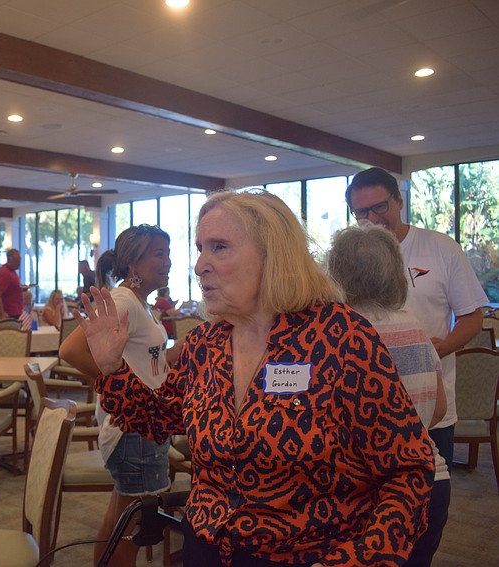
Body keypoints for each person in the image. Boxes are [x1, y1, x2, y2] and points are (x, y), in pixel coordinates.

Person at [74, 190, 434, 567]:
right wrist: (112, 368)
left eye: (219, 247)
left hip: (311, 554)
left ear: (272, 254)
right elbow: (158, 417)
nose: (199, 265)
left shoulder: (341, 338)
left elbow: (409, 472)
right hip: (208, 547)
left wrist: (359, 559)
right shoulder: (206, 345)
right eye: (200, 248)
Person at [346, 166, 488, 466]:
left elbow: (472, 316)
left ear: (399, 201)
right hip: (365, 411)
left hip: (430, 405)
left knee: (431, 494)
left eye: (380, 207)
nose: (372, 219)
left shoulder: (441, 248)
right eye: (361, 212)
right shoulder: (350, 258)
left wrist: (440, 349)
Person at [328, 224, 449, 567]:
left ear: (336, 272)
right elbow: (438, 409)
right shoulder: (413, 324)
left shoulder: (339, 331)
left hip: (366, 494)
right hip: (431, 481)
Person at [60, 224, 181, 567]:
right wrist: (115, 384)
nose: (168, 262)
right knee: (134, 526)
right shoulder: (125, 299)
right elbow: (69, 350)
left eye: (168, 253)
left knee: (121, 520)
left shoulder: (137, 301)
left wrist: (176, 353)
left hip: (140, 427)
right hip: (134, 430)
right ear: (134, 265)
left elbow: (143, 361)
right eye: (159, 254)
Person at [0, 248, 24, 318]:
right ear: (10, 259)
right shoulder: (6, 273)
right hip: (11, 314)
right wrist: (2, 313)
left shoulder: (12, 271)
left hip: (16, 311)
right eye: (17, 261)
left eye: (19, 261)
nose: (19, 264)